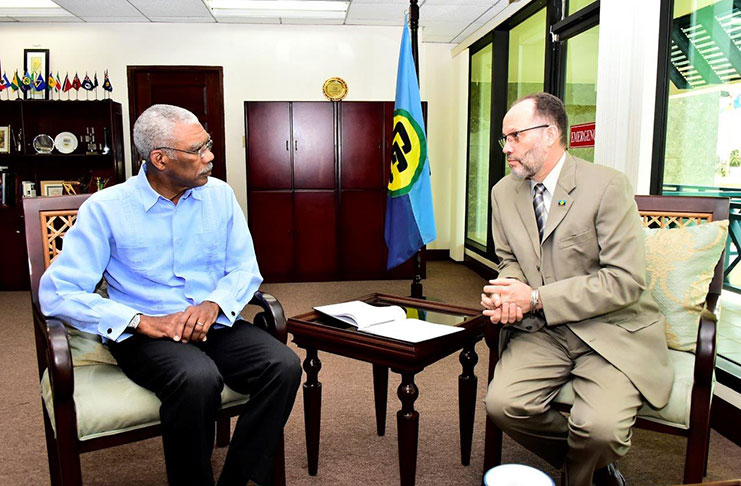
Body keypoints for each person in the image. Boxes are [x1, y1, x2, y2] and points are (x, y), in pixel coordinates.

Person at [39, 104, 301, 486]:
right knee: (197, 378)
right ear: (159, 159)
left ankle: (234, 480)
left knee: (283, 366)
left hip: (214, 322)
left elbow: (245, 269)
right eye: (198, 150)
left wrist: (214, 305)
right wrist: (140, 321)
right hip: (146, 332)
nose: (210, 156)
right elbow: (58, 292)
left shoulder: (220, 196)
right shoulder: (107, 209)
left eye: (207, 144)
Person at [481, 93, 673, 486]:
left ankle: (583, 469)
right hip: (542, 333)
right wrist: (508, 289)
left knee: (600, 429)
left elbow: (625, 281)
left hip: (609, 331)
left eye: (515, 136)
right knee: (503, 405)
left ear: (550, 133)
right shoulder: (503, 193)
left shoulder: (606, 186)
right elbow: (509, 258)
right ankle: (589, 463)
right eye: (505, 139)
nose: (507, 148)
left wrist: (534, 298)